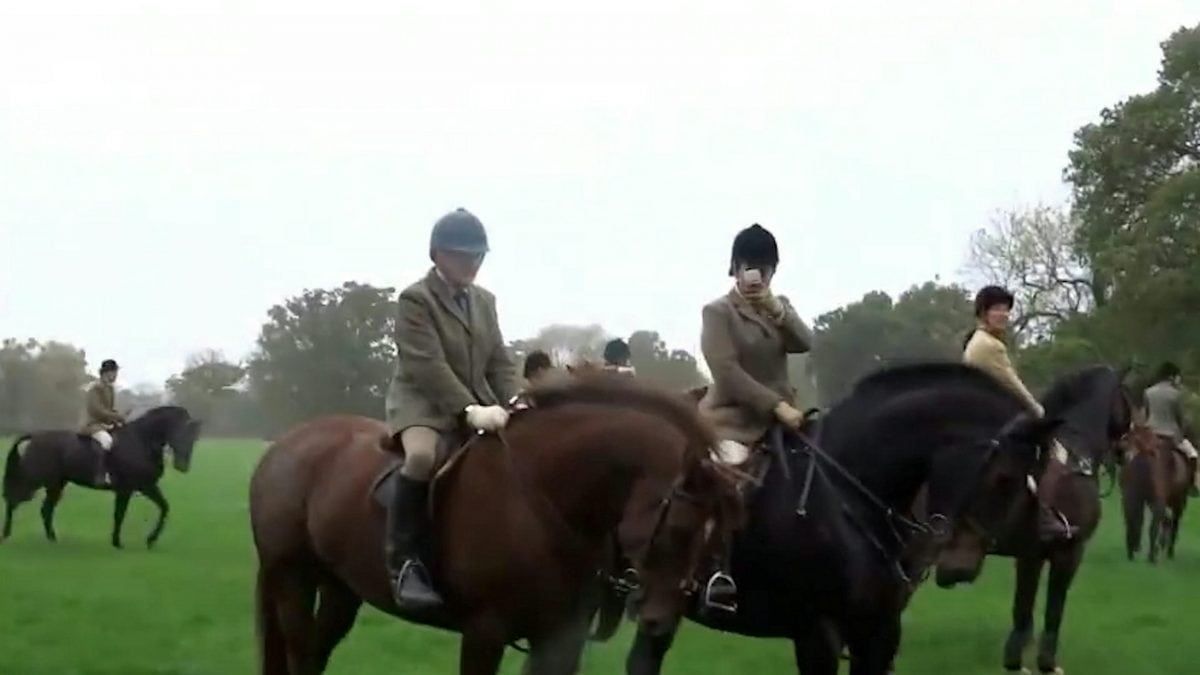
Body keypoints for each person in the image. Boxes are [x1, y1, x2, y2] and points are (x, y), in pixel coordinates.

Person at [384, 207, 519, 611]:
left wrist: (517, 400)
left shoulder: (485, 301)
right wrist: (469, 409)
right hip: (422, 405)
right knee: (423, 458)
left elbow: (499, 360)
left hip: (479, 403)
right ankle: (404, 564)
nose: (472, 263)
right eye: (463, 254)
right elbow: (427, 366)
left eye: (478, 255)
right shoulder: (415, 299)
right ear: (438, 255)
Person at [697, 223, 813, 614]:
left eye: (763, 268)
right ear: (734, 267)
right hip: (733, 421)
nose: (756, 275)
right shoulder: (717, 312)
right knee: (729, 480)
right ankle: (717, 572)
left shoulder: (779, 308)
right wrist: (775, 405)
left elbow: (804, 343)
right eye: (749, 266)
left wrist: (775, 309)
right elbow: (727, 372)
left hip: (784, 420)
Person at [962, 285, 1078, 541]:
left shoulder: (976, 341)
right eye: (997, 309)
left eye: (1006, 310)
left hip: (983, 416)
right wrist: (1038, 411)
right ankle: (1045, 517)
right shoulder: (990, 346)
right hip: (996, 419)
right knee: (1056, 451)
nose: (1003, 314)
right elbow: (1013, 384)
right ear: (983, 312)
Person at [1144, 361, 1199, 497]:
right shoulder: (1176, 394)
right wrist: (1184, 431)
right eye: (1177, 376)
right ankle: (1191, 485)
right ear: (1172, 376)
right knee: (1193, 455)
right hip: (1171, 435)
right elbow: (1180, 418)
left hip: (1151, 435)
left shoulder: (1148, 392)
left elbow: (1147, 414)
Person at [80, 359, 125, 486]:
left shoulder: (110, 388)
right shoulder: (95, 388)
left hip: (105, 424)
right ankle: (102, 475)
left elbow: (109, 409)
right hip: (92, 424)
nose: (116, 375)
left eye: (116, 372)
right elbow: (96, 410)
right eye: (114, 372)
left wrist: (118, 417)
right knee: (107, 441)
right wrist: (116, 416)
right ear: (106, 373)